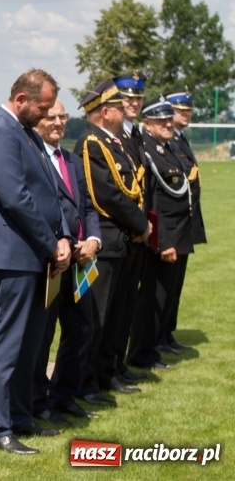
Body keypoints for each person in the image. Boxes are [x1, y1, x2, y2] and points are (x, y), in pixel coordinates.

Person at [0, 69, 71, 455]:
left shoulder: (25, 133)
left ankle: (19, 416)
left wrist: (62, 235)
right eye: (43, 107)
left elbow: (50, 189)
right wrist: (51, 244)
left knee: (29, 343)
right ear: (21, 100)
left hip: (36, 253)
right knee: (6, 342)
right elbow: (15, 198)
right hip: (13, 255)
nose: (47, 115)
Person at [73, 79, 151, 401]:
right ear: (105, 112)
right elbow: (108, 195)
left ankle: (108, 372)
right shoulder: (92, 143)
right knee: (98, 318)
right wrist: (142, 223)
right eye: (119, 107)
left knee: (118, 314)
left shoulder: (115, 142)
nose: (125, 111)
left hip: (124, 241)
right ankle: (85, 383)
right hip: (106, 242)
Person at [30, 99, 101, 426]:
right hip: (51, 262)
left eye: (63, 117)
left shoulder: (72, 160)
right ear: (38, 120)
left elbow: (88, 207)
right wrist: (64, 245)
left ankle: (64, 394)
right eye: (51, 117)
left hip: (81, 262)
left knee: (82, 328)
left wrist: (94, 241)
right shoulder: (32, 158)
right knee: (42, 336)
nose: (58, 123)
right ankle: (37, 399)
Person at [127, 96, 193, 368]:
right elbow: (153, 202)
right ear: (148, 124)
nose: (168, 123)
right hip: (162, 238)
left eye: (169, 119)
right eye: (161, 120)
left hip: (176, 234)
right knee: (152, 299)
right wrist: (163, 242)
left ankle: (153, 347)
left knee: (165, 296)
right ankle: (142, 354)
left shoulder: (166, 148)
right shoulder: (150, 150)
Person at [109, 72, 150, 388]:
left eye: (138, 97)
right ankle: (107, 370)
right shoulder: (111, 138)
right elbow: (114, 192)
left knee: (125, 309)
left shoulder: (133, 134)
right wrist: (139, 225)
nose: (134, 102)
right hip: (121, 234)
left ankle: (117, 366)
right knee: (111, 312)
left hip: (136, 235)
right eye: (127, 97)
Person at [162, 86, 206, 352]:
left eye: (188, 110)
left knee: (174, 288)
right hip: (171, 226)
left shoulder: (180, 140)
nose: (186, 114)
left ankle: (166, 335)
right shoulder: (168, 141)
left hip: (183, 225)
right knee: (164, 289)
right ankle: (157, 338)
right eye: (181, 110)